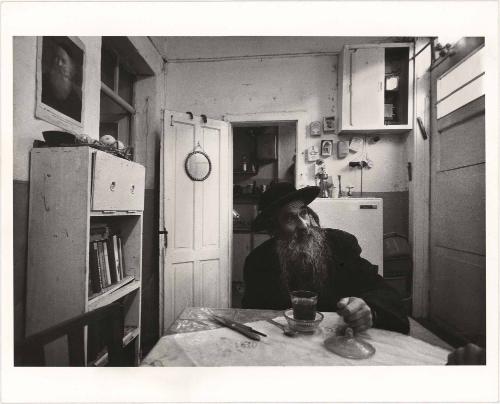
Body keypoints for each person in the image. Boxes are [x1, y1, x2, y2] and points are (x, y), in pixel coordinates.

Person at [242, 182, 410, 334]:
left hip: (339, 340)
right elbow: (253, 318)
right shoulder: (258, 262)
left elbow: (384, 292)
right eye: (290, 218)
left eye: (303, 213)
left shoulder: (340, 244)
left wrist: (369, 309)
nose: (304, 225)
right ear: (274, 229)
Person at [41, 41, 82, 122]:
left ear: (70, 68)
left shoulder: (76, 101)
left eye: (63, 61)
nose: (59, 63)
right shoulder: (43, 81)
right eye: (56, 58)